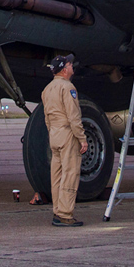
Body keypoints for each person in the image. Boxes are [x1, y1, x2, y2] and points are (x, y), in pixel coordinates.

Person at [41, 54, 88, 227]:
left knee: (57, 176)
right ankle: (65, 214)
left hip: (54, 134)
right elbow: (73, 116)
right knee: (70, 174)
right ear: (64, 69)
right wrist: (82, 138)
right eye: (69, 64)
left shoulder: (47, 89)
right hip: (67, 134)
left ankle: (57, 210)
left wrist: (53, 132)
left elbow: (46, 117)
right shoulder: (68, 87)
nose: (72, 66)